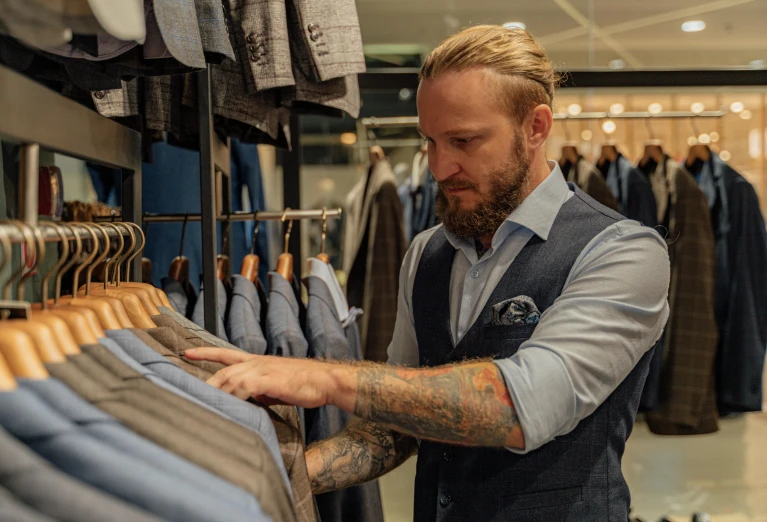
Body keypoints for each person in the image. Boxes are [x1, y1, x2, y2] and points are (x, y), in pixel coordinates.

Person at [186, 25, 670, 521]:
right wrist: (281, 473)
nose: (440, 167)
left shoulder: (622, 252)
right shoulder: (427, 253)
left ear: (536, 127)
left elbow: (519, 405)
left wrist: (328, 378)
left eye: (463, 140)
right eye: (430, 142)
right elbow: (398, 425)